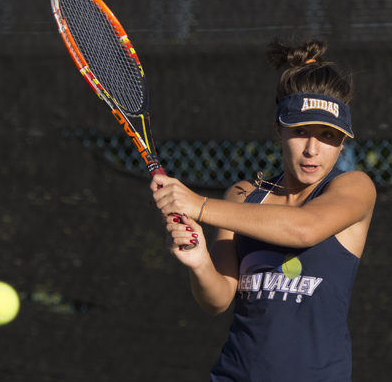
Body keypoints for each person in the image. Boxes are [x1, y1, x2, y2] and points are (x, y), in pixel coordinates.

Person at [150, 36, 376, 381]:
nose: (313, 149)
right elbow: (218, 300)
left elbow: (304, 229)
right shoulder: (242, 196)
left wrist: (199, 205)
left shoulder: (354, 187)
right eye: (300, 131)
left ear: (342, 141)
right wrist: (199, 262)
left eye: (328, 136)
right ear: (278, 130)